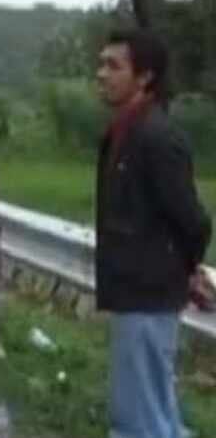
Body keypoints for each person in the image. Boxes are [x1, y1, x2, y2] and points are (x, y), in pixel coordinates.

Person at [94, 29, 212, 438]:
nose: (101, 74)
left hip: (148, 292)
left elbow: (192, 219)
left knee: (138, 421)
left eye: (113, 65)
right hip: (138, 290)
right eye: (102, 63)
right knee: (153, 414)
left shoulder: (156, 137)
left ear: (144, 77)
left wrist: (187, 266)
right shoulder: (125, 132)